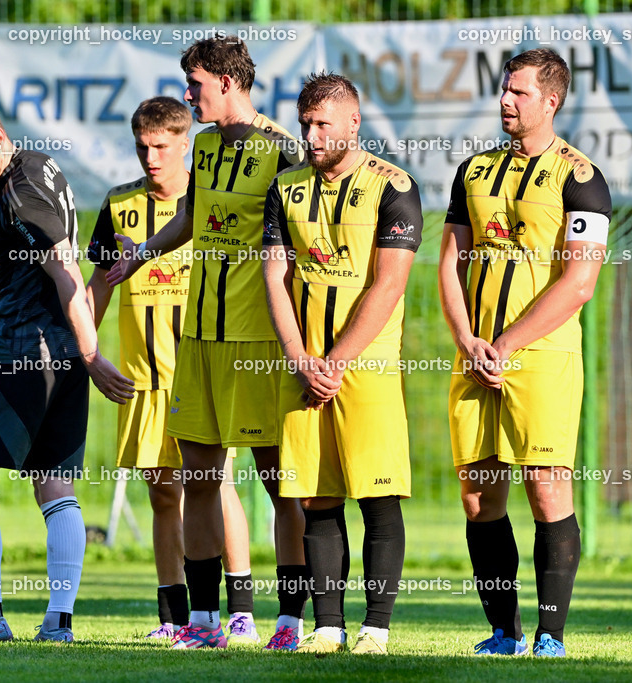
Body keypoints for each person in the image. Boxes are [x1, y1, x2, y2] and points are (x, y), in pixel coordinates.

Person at [107, 37, 308, 651]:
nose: (188, 94)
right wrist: (143, 252)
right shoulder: (206, 147)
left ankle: (291, 622)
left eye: (194, 84)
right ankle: (203, 623)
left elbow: (300, 246)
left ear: (226, 81)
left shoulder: (283, 151)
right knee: (198, 477)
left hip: (256, 342)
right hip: (198, 336)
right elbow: (193, 215)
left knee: (280, 481)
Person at [0, 95, 134, 644]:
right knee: (54, 483)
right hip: (60, 351)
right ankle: (58, 623)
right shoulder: (39, 170)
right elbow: (26, 264)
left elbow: (64, 269)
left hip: (21, 349)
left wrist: (93, 355)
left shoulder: (19, 189)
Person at [438, 48, 611, 658]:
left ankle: (550, 635)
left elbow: (580, 282)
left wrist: (509, 342)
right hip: (475, 352)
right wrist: (467, 340)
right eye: (504, 91)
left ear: (551, 101)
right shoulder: (473, 171)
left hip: (540, 357)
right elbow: (450, 262)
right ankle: (502, 631)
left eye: (519, 92)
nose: (506, 101)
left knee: (546, 487)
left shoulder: (581, 176)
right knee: (479, 495)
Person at [85, 96, 262, 641]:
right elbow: (98, 285)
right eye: (142, 147)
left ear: (185, 144)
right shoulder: (119, 205)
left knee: (214, 483)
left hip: (202, 371)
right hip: (142, 378)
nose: (151, 158)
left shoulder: (211, 201)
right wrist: (89, 353)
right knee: (163, 493)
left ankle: (240, 608)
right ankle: (175, 618)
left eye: (161, 147)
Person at [262, 72, 422, 655]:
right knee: (315, 497)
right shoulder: (285, 188)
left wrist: (335, 360)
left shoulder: (394, 186)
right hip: (304, 368)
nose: (312, 134)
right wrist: (300, 358)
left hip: (366, 365)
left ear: (354, 123)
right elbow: (275, 276)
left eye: (323, 123)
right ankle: (328, 626)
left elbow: (389, 284)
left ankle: (375, 627)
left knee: (378, 496)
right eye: (306, 124)